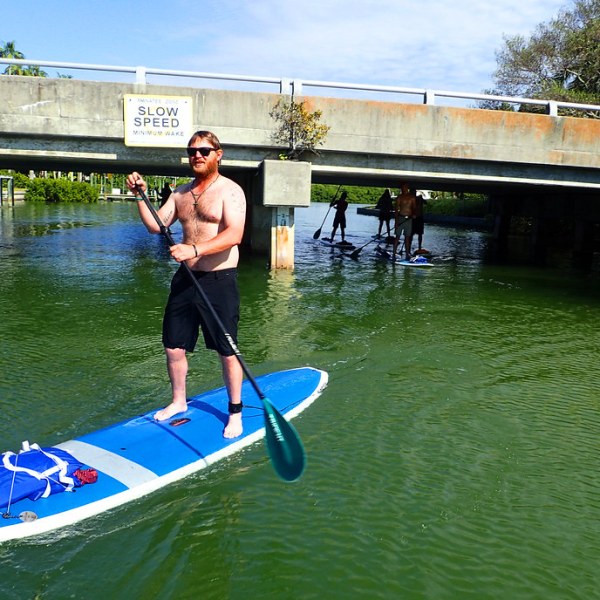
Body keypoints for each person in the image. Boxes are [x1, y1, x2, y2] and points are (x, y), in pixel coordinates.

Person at [125, 130, 247, 439]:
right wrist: (141, 195)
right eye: (192, 150)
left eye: (205, 150)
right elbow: (156, 225)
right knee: (173, 347)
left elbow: (234, 235)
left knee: (227, 351)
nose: (198, 155)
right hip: (186, 280)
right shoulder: (180, 193)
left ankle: (235, 412)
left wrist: (193, 249)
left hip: (219, 280)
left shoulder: (230, 191)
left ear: (218, 154)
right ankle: (179, 401)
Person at [393, 182, 417, 259]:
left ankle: (407, 254)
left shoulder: (412, 197)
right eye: (402, 187)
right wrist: (396, 222)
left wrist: (414, 214)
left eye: (405, 187)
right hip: (401, 218)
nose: (404, 189)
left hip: (409, 219)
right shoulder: (399, 197)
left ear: (407, 188)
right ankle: (394, 254)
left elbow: (414, 208)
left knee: (407, 237)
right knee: (397, 237)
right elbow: (396, 210)